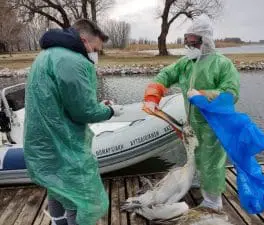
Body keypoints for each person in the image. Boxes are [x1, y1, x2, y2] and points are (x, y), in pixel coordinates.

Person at [23, 19, 123, 225]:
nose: (96, 54)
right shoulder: (72, 60)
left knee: (57, 186)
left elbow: (62, 99)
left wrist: (97, 104)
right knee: (81, 199)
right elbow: (83, 111)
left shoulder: (46, 55)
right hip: (64, 143)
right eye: (96, 49)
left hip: (43, 141)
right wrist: (110, 111)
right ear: (85, 41)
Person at [143, 14, 240, 211]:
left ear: (205, 40)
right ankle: (196, 181)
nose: (188, 45)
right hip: (191, 124)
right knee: (193, 154)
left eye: (193, 41)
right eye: (186, 40)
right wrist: (152, 97)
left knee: (211, 160)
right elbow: (165, 75)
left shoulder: (222, 64)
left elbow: (231, 94)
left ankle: (213, 201)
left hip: (213, 126)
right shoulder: (186, 63)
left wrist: (203, 95)